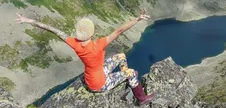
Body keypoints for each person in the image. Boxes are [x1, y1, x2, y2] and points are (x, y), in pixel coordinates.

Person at [15, 9, 155, 106]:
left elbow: (56, 31)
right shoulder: (97, 45)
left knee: (121, 55)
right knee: (131, 73)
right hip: (99, 84)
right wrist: (137, 19)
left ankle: (125, 77)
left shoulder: (75, 44)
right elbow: (119, 30)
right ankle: (141, 99)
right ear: (91, 33)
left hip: (92, 78)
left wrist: (29, 20)